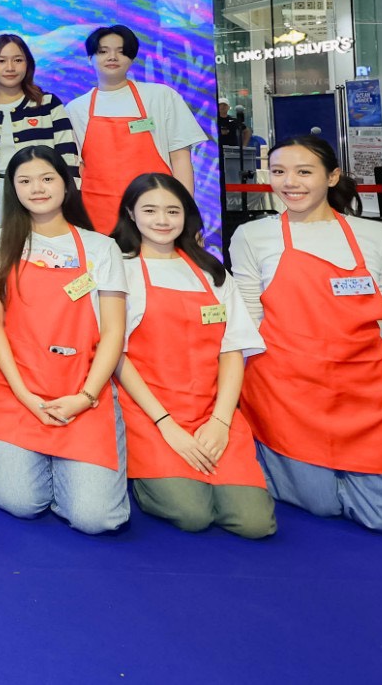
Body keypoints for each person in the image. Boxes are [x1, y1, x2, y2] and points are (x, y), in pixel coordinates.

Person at [229, 135, 382, 533]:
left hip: (365, 387)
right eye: (278, 171)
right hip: (285, 387)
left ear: (332, 176)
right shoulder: (253, 236)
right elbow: (250, 315)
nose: (290, 182)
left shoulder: (377, 236)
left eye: (304, 171)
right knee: (320, 504)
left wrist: (351, 354)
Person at [112, 174, 275, 538]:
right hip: (148, 413)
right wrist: (165, 424)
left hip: (210, 410)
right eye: (150, 210)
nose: (162, 220)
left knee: (255, 524)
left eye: (173, 211)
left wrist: (220, 421)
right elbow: (116, 355)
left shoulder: (211, 272)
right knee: (191, 515)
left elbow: (232, 349)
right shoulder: (120, 269)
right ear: (130, 213)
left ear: (186, 215)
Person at [0, 145, 130, 534]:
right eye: (25, 181)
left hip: (82, 390)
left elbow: (114, 331)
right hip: (17, 390)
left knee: (96, 519)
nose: (37, 188)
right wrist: (23, 394)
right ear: (13, 189)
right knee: (20, 502)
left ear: (66, 183)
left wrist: (87, 396)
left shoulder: (101, 247)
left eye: (47, 178)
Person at [67, 25, 206, 236]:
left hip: (156, 212)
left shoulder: (160, 97)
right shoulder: (76, 109)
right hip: (96, 216)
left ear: (132, 58)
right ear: (90, 58)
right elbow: (75, 169)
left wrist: (187, 215)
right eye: (103, 51)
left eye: (121, 51)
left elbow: (180, 159)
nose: (112, 57)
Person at [0, 33, 79, 235]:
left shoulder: (48, 104)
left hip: (44, 197)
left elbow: (68, 157)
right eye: (1, 61)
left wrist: (68, 202)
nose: (10, 67)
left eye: (18, 60)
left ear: (28, 64)